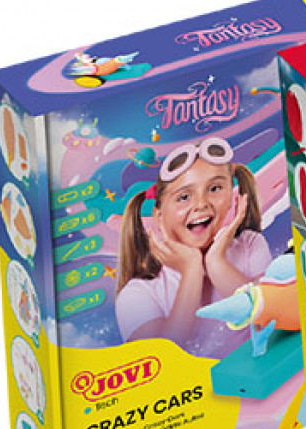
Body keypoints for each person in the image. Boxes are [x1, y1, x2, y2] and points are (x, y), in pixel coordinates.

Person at [114, 136, 270, 357]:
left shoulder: (250, 245)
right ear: (159, 216)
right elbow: (160, 359)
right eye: (184, 197)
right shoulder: (137, 294)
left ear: (232, 197)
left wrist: (216, 263)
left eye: (214, 188)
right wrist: (191, 270)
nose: (201, 204)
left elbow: (269, 320)